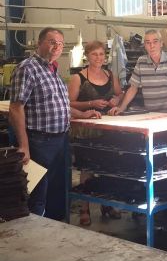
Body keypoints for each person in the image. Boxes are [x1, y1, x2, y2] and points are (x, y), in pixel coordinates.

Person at [9, 27, 100, 217]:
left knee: (58, 192)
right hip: (39, 141)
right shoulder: (27, 68)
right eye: (52, 42)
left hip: (60, 140)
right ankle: (35, 231)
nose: (57, 46)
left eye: (60, 43)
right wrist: (24, 145)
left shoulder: (53, 70)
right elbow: (16, 108)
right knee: (37, 193)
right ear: (39, 43)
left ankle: (56, 228)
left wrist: (82, 114)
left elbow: (60, 104)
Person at [68, 40, 124, 225]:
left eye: (101, 54)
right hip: (86, 131)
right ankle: (84, 209)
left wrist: (116, 100)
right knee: (87, 169)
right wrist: (91, 104)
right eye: (94, 54)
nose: (99, 58)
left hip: (108, 129)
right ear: (87, 56)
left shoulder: (110, 74)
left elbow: (120, 93)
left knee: (108, 168)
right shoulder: (78, 78)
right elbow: (69, 103)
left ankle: (106, 204)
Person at [109, 29, 167, 115]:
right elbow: (133, 88)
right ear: (145, 45)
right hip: (151, 114)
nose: (152, 46)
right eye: (148, 43)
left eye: (155, 42)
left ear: (161, 43)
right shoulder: (141, 61)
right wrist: (121, 108)